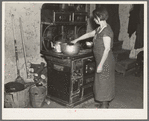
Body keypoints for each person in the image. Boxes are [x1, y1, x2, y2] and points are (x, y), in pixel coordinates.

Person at [71, 6, 115, 108]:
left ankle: (104, 106)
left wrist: (100, 65)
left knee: (104, 83)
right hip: (100, 59)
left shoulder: (106, 31)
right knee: (100, 83)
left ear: (99, 18)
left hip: (106, 61)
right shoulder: (100, 28)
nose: (94, 20)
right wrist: (76, 40)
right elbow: (89, 34)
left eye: (95, 18)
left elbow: (107, 49)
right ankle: (102, 103)